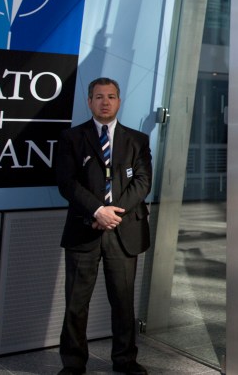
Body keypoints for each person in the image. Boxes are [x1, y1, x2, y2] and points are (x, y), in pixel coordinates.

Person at [55, 77, 152, 375]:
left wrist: (113, 213)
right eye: (99, 96)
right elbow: (67, 183)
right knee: (76, 303)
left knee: (123, 302)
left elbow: (143, 182)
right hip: (84, 229)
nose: (105, 101)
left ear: (119, 101)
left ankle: (125, 360)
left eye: (111, 96)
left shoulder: (137, 140)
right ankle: (73, 364)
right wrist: (98, 210)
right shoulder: (72, 138)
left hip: (124, 231)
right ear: (89, 101)